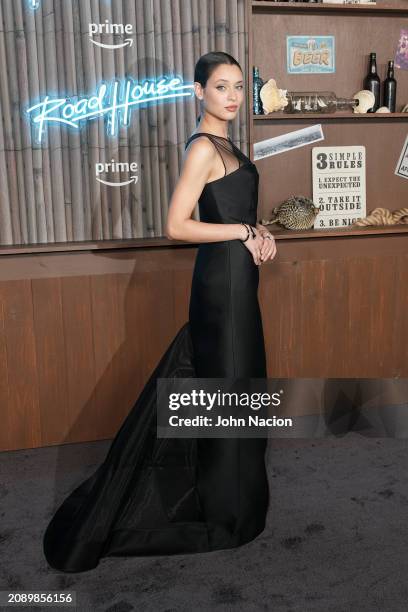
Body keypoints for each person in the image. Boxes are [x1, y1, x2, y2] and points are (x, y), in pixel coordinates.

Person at [43, 51, 277, 573]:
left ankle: (239, 502)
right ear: (198, 92)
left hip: (237, 280)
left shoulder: (226, 142)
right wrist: (242, 232)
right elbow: (178, 225)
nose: (233, 96)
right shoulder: (202, 148)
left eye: (239, 86)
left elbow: (234, 214)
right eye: (221, 87)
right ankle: (226, 512)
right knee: (230, 388)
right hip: (221, 286)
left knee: (240, 386)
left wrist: (258, 233)